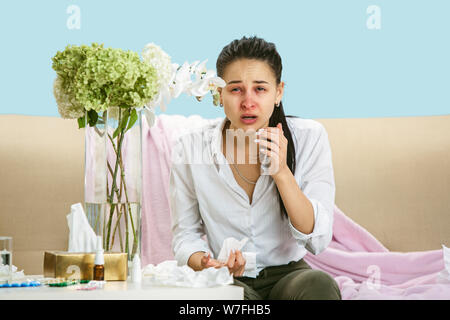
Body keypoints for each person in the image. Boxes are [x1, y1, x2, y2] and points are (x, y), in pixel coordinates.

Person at [169, 35, 341, 300]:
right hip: (228, 278)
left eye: (260, 89)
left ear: (278, 92)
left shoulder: (310, 137)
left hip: (291, 276)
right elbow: (185, 235)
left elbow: (317, 239)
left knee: (318, 285)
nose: (248, 102)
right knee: (223, 296)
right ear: (219, 93)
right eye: (235, 89)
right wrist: (204, 262)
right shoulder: (190, 148)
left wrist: (282, 172)